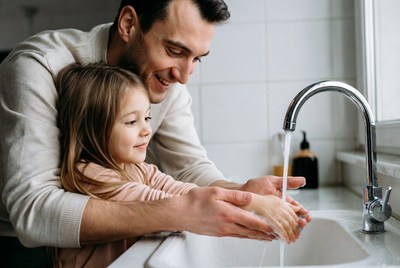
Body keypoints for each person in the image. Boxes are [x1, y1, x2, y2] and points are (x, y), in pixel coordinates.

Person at [0, 0, 311, 265]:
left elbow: (188, 166)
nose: (185, 76)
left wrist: (240, 191)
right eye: (175, 50)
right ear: (128, 24)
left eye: (197, 59)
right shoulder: (39, 65)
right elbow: (33, 211)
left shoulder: (166, 79)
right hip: (19, 247)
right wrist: (179, 211)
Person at [55, 62, 304, 266]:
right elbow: (167, 203)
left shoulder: (137, 169)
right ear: (93, 130)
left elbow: (183, 191)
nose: (146, 131)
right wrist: (255, 203)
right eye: (132, 122)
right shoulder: (91, 176)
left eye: (147, 118)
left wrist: (244, 191)